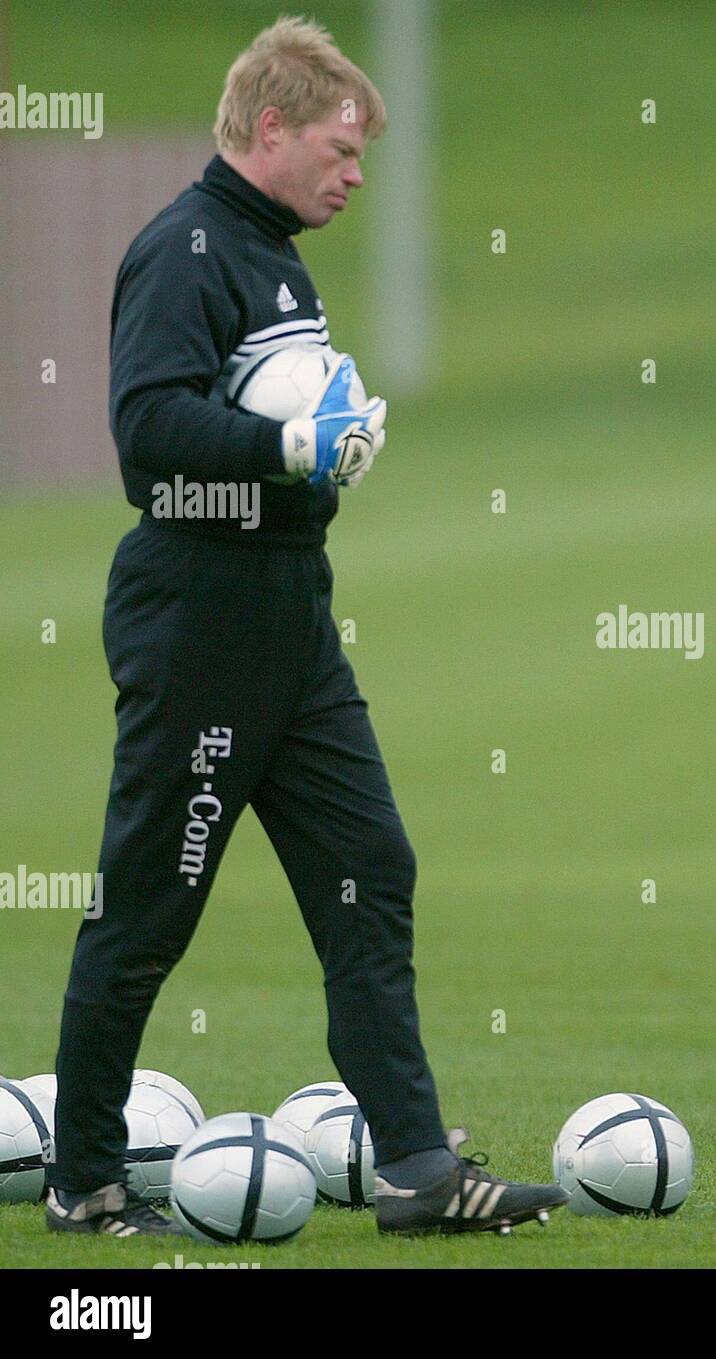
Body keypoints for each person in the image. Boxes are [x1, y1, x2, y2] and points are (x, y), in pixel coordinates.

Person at [47, 15, 567, 1237]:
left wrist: (324, 459)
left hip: (290, 618)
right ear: (268, 126)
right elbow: (149, 439)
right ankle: (83, 1179)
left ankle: (416, 1174)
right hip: (200, 619)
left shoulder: (275, 255)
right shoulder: (185, 249)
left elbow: (275, 435)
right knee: (152, 902)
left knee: (369, 868)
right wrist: (288, 445)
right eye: (340, 147)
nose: (356, 172)